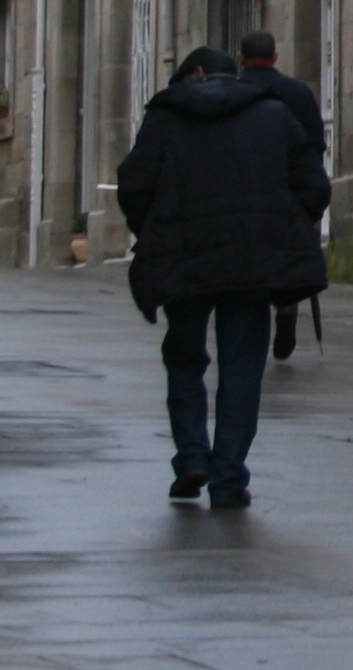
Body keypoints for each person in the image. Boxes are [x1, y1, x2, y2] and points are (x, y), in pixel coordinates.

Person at [115, 45, 328, 510]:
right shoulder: (274, 115)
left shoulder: (166, 116)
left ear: (193, 73)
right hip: (253, 263)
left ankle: (192, 455)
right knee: (242, 370)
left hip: (183, 259)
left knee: (185, 360)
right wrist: (281, 227)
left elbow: (134, 185)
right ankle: (229, 477)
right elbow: (314, 186)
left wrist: (156, 229)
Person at [235, 29, 326, 360]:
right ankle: (286, 304)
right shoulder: (297, 93)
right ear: (275, 58)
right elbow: (315, 145)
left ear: (241, 58)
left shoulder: (232, 92)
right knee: (285, 258)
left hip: (242, 192)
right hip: (286, 194)